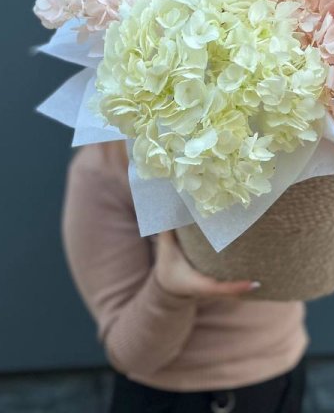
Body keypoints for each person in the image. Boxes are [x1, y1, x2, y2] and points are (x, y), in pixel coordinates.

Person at [62, 140, 308, 413]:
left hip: (284, 374)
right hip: (177, 398)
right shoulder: (103, 168)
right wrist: (168, 292)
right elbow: (129, 355)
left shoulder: (281, 142)